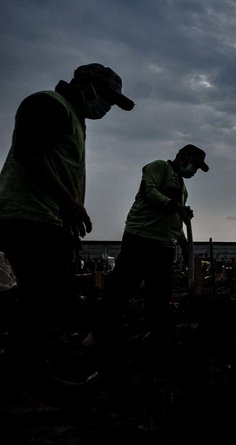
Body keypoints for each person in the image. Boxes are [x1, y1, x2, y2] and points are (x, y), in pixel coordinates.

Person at [0, 63, 134, 384]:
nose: (107, 108)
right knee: (39, 299)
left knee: (45, 300)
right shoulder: (48, 104)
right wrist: (69, 204)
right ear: (85, 84)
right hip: (27, 216)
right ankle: (21, 384)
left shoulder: (74, 118)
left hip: (47, 218)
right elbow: (30, 155)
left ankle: (30, 374)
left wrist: (67, 215)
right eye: (106, 98)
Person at [102, 144, 209, 335]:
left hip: (164, 244)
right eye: (194, 165)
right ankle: (104, 328)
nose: (194, 171)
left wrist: (183, 243)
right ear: (183, 156)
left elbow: (175, 222)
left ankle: (155, 332)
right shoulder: (159, 167)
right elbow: (149, 192)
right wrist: (175, 205)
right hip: (140, 237)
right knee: (123, 285)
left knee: (160, 292)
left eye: (197, 169)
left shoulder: (183, 189)